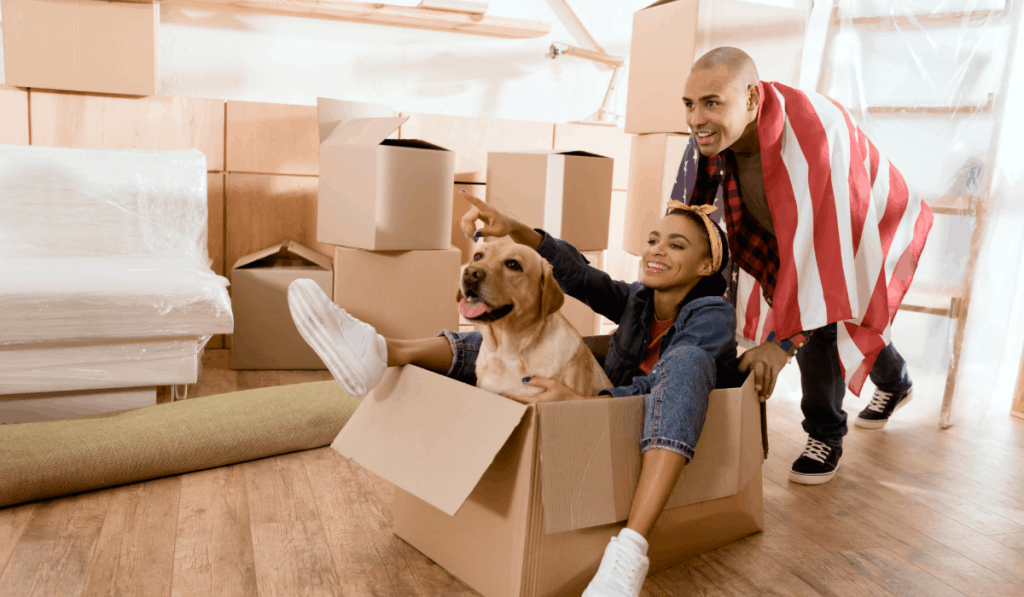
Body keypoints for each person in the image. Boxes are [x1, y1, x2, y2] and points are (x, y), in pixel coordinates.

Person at [287, 194, 744, 597]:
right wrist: (514, 229)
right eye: (652, 239)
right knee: (497, 337)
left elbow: (667, 384)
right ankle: (379, 351)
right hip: (600, 411)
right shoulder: (637, 301)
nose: (657, 250)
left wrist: (591, 403)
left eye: (676, 245)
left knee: (686, 364)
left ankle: (628, 553)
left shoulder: (713, 315)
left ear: (706, 267)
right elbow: (577, 274)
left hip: (655, 438)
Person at [678, 47, 933, 485]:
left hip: (867, 221)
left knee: (826, 320)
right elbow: (692, 216)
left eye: (712, 102)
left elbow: (825, 263)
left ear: (753, 99)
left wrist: (780, 347)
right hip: (792, 227)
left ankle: (826, 434)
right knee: (843, 319)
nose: (696, 118)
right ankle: (897, 380)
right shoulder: (711, 135)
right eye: (689, 104)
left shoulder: (814, 133)